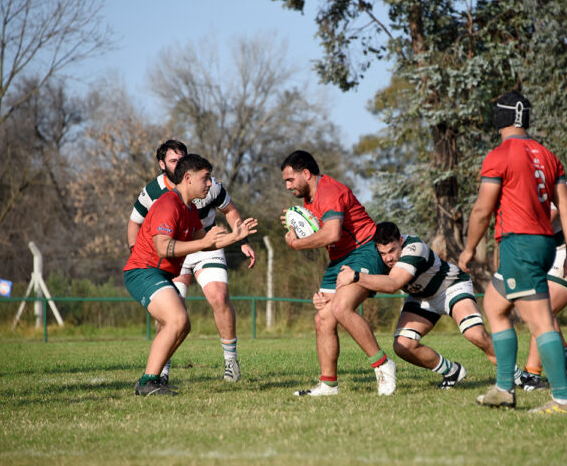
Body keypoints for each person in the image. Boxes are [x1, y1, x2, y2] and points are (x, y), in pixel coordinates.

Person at [458, 91, 567, 415]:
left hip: (520, 244)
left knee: (540, 321)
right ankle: (504, 389)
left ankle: (562, 401)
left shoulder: (499, 155)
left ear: (499, 119)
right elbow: (565, 205)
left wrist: (469, 249)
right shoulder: (547, 154)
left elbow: (482, 210)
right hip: (543, 243)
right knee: (494, 305)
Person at [124, 153, 257, 396]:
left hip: (158, 274)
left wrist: (235, 237)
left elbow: (205, 242)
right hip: (143, 272)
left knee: (182, 325)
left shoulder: (189, 209)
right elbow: (163, 248)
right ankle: (148, 381)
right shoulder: (168, 204)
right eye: (205, 178)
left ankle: (152, 379)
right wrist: (204, 242)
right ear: (188, 178)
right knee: (177, 319)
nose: (209, 183)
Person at [280, 150, 396, 396]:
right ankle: (328, 385)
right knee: (323, 318)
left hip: (364, 251)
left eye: (290, 179)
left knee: (342, 308)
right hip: (340, 258)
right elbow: (322, 233)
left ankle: (383, 365)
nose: (288, 186)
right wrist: (297, 227)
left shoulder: (329, 191)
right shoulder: (309, 200)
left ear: (306, 173)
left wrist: (296, 243)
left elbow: (332, 234)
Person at [336, 221, 496, 389]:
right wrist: (327, 296)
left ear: (401, 240)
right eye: (383, 253)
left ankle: (512, 373)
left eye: (392, 250)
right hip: (421, 297)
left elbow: (392, 284)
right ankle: (452, 371)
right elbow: (348, 279)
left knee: (475, 333)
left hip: (450, 288)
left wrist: (356, 276)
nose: (388, 258)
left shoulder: (414, 247)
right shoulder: (377, 256)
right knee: (403, 346)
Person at [516, 182, 567, 391]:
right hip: (560, 253)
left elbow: (541, 223)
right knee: (535, 305)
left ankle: (532, 375)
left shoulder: (551, 183)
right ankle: (564, 354)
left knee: (540, 309)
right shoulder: (529, 186)